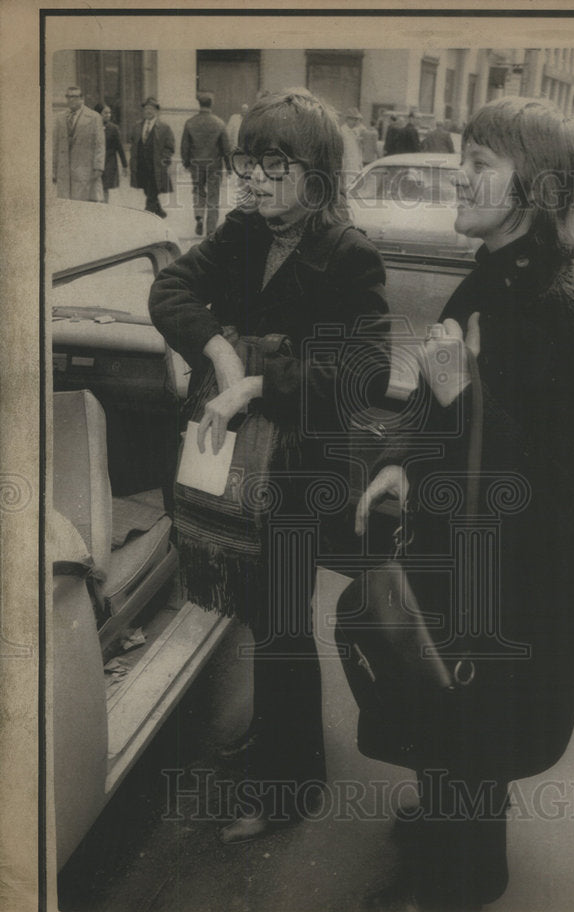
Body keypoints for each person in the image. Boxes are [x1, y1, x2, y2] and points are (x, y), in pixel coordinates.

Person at [356, 98, 574, 912]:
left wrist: (461, 393)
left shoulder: (562, 309)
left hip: (517, 580)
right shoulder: (490, 277)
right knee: (444, 704)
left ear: (535, 190)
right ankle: (442, 816)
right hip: (462, 550)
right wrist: (399, 463)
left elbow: (554, 477)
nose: (459, 180)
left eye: (480, 167)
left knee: (478, 722)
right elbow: (432, 406)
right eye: (462, 159)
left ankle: (460, 884)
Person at [148, 88, 390, 845]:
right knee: (261, 613)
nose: (250, 176)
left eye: (271, 163)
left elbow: (366, 372)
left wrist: (260, 382)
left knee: (285, 626)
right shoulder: (244, 231)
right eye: (247, 159)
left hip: (298, 471)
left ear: (315, 174)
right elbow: (170, 289)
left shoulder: (349, 254)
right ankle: (274, 739)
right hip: (238, 472)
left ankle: (292, 787)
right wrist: (220, 350)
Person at [181, 91, 231, 236]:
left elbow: (185, 146)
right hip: (214, 165)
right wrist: (229, 166)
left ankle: (199, 217)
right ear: (211, 104)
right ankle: (210, 230)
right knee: (213, 197)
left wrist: (186, 163)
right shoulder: (219, 123)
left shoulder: (190, 122)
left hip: (196, 165)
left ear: (199, 104)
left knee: (198, 192)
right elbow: (226, 148)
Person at [52, 85, 105, 201]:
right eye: (68, 96)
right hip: (65, 171)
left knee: (83, 204)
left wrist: (98, 167)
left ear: (82, 98)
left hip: (85, 170)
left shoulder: (94, 117)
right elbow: (55, 145)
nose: (71, 100)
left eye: (75, 97)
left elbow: (100, 144)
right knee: (66, 204)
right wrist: (54, 169)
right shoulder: (60, 118)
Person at [129, 97, 175, 218]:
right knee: (147, 190)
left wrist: (164, 160)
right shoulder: (137, 126)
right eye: (146, 109)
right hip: (141, 165)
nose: (148, 111)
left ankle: (147, 214)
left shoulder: (164, 127)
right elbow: (134, 144)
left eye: (151, 109)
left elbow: (170, 147)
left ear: (157, 111)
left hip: (157, 166)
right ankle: (159, 211)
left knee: (152, 191)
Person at [97, 105, 127, 203]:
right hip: (95, 161)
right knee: (95, 186)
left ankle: (105, 206)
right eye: (105, 113)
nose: (108, 115)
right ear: (98, 114)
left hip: (109, 162)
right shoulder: (92, 127)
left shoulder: (113, 128)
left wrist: (124, 165)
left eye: (109, 113)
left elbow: (120, 148)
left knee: (105, 187)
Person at [340, 106, 363, 179]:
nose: (356, 122)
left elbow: (358, 150)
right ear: (347, 119)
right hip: (347, 166)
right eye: (354, 119)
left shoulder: (356, 131)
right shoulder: (342, 131)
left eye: (357, 120)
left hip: (356, 164)